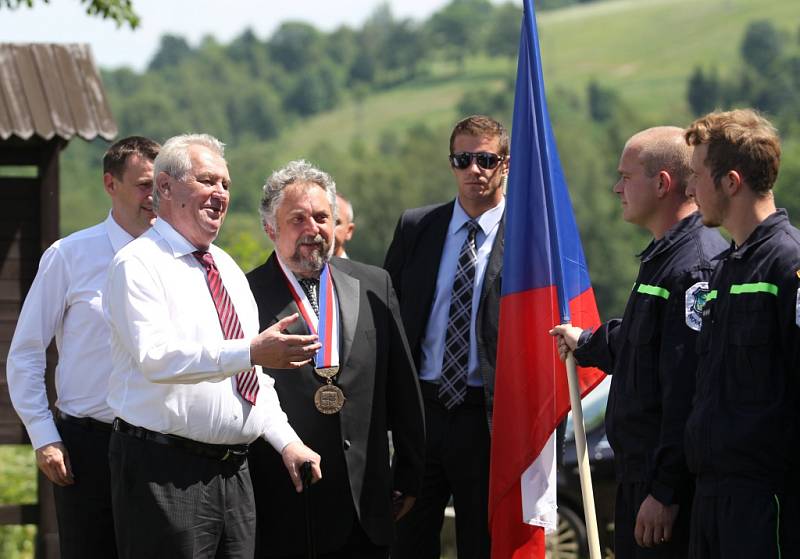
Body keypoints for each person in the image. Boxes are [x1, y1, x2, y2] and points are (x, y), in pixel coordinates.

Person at [103, 134, 322, 559]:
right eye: (207, 181)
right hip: (163, 471)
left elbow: (251, 379)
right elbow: (157, 358)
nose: (220, 193)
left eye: (225, 184)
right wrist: (251, 352)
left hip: (234, 474)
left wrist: (286, 440)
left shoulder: (226, 268)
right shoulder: (138, 264)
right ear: (164, 187)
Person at [550, 127, 727, 558]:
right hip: (637, 479)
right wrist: (586, 342)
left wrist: (665, 492)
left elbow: (685, 391)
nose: (616, 187)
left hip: (663, 492)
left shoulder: (693, 269)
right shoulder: (664, 257)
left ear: (663, 183)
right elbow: (637, 342)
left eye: (626, 177)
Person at [246, 160, 425, 559]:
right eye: (298, 218)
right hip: (285, 503)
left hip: (366, 503)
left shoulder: (374, 284)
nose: (313, 228)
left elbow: (402, 385)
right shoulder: (245, 295)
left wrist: (410, 473)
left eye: (322, 217)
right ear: (270, 227)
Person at [6, 136, 160, 559]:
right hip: (88, 447)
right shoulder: (69, 255)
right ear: (110, 184)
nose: (155, 196)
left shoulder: (179, 257)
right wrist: (43, 436)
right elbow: (26, 353)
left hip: (162, 445)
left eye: (161, 185)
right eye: (145, 185)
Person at [384, 115, 508, 559]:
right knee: (407, 541)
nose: (474, 169)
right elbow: (387, 319)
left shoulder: (529, 238)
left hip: (487, 420)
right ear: (452, 164)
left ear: (505, 164)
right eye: (463, 159)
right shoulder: (417, 228)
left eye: (486, 159)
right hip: (422, 414)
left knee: (482, 544)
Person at [681, 109, 800, 558]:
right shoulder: (726, 268)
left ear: (731, 182)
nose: (690, 189)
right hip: (711, 499)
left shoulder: (788, 265)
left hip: (767, 503)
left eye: (696, 176)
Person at [334, 192, 355, 258]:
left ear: (349, 231)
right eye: (320, 219)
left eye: (335, 223)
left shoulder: (354, 268)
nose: (328, 228)